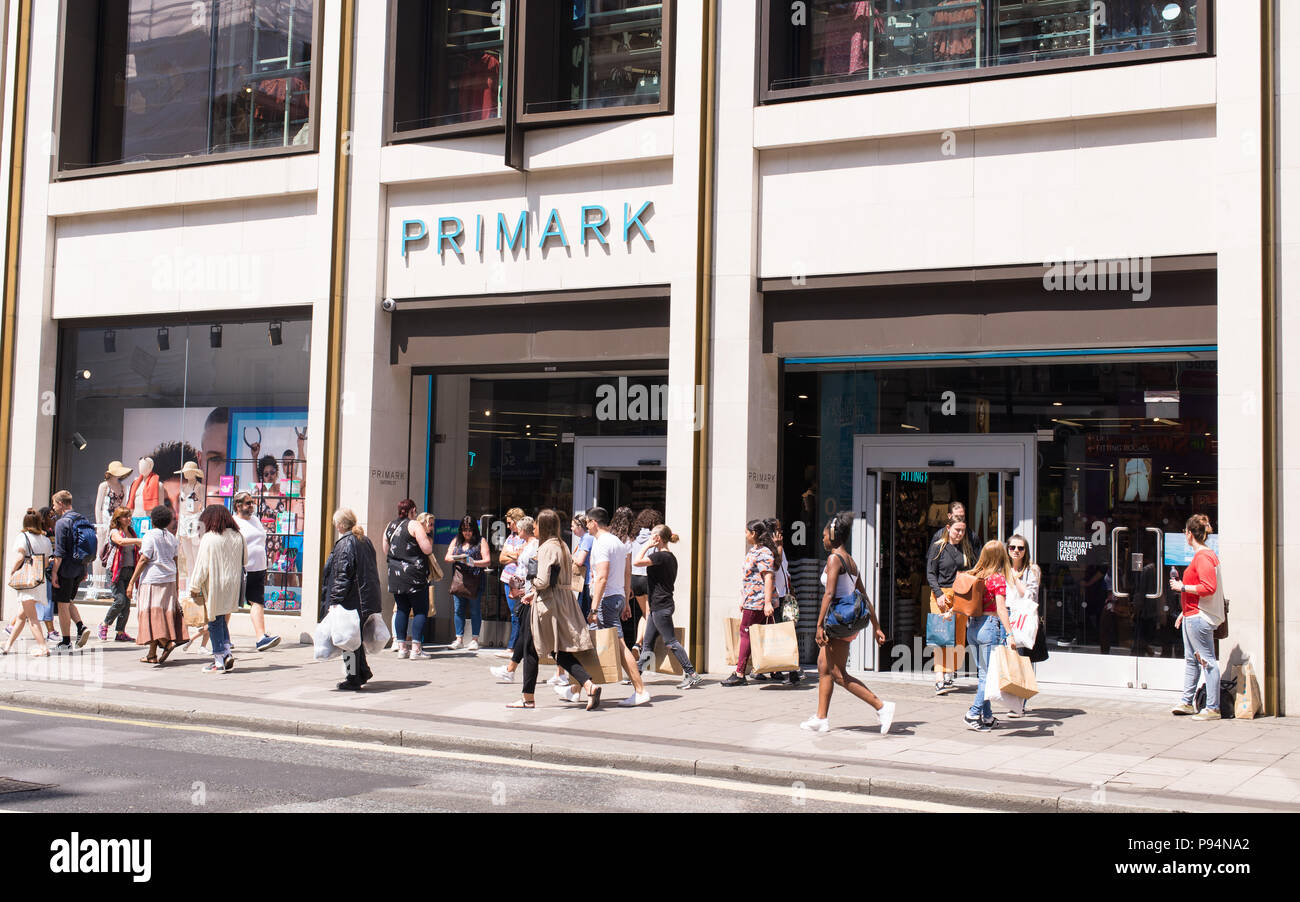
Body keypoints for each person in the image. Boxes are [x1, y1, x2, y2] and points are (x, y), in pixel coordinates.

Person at [799, 513, 893, 734]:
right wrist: (876, 626)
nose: (822, 540)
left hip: (837, 622)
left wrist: (819, 625)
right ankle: (821, 718)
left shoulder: (834, 559)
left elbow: (829, 594)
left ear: (833, 536)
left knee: (839, 674)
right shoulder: (850, 560)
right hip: (845, 622)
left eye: (824, 536)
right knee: (823, 668)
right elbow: (864, 595)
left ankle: (882, 706)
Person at [514, 510, 605, 710]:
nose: (534, 528)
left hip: (547, 604)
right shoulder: (562, 545)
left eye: (536, 524)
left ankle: (528, 699)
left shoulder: (546, 547)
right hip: (561, 600)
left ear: (543, 526)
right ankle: (588, 685)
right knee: (549, 648)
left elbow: (544, 580)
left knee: (541, 648)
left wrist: (532, 582)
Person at [582, 507, 651, 706]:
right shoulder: (619, 543)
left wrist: (594, 608)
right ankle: (580, 687)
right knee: (592, 642)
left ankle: (640, 689)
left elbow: (602, 577)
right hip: (616, 596)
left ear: (594, 522)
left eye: (587, 522)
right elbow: (627, 572)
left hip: (606, 599)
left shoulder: (603, 543)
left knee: (619, 646)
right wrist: (626, 601)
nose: (586, 526)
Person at [632, 525, 702, 688]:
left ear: (659, 538)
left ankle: (692, 674)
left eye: (653, 536)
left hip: (661, 606)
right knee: (647, 642)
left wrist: (647, 546)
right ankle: (636, 674)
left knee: (671, 641)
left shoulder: (661, 556)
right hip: (658, 606)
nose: (650, 538)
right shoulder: (668, 557)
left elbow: (637, 562)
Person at [322, 509, 383, 691]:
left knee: (347, 640)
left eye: (336, 523)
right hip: (365, 597)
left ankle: (353, 677)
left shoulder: (345, 543)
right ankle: (362, 671)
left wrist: (334, 601)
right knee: (354, 639)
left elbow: (342, 575)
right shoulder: (364, 540)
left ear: (340, 525)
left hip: (351, 600)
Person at [1170, 514, 1223, 721]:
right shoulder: (1205, 555)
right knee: (1192, 660)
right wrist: (1185, 611)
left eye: (1185, 531)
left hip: (1199, 617)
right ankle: (1187, 702)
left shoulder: (1203, 557)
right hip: (1193, 614)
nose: (1185, 534)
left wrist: (1182, 587)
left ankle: (1212, 708)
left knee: (1207, 661)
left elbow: (1208, 588)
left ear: (1190, 534)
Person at [962, 541, 1018, 732]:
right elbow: (1001, 609)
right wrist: (1010, 633)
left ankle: (986, 717)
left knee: (983, 674)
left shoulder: (974, 576)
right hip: (989, 627)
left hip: (972, 628)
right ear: (1001, 557)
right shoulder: (997, 579)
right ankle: (973, 713)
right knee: (988, 676)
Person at [187, 505, 247, 674]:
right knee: (221, 618)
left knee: (214, 620)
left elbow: (201, 566)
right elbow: (246, 560)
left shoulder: (209, 538)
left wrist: (194, 587)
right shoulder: (239, 536)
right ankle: (227, 653)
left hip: (215, 584)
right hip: (233, 585)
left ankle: (219, 660)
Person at [126, 505, 187, 666]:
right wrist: (177, 582)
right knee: (161, 614)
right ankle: (151, 654)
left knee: (150, 614)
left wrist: (132, 582)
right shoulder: (172, 537)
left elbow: (144, 559)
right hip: (169, 579)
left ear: (152, 519)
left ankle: (166, 642)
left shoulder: (150, 536)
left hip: (153, 580)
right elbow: (175, 561)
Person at [722, 519, 778, 687]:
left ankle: (740, 673)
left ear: (753, 534)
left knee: (745, 633)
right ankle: (774, 669)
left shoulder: (763, 552)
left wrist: (767, 602)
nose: (745, 535)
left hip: (757, 601)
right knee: (756, 634)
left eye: (747, 532)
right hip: (751, 600)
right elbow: (749, 578)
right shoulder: (755, 551)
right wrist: (743, 598)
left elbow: (768, 576)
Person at [926, 518, 972, 695]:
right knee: (940, 636)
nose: (960, 534)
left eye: (962, 530)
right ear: (948, 528)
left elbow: (971, 569)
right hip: (941, 594)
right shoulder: (938, 547)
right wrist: (938, 594)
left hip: (960, 594)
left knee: (958, 636)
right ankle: (939, 677)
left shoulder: (965, 548)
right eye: (957, 530)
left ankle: (949, 672)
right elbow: (930, 573)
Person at [383, 499, 434, 659]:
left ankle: (402, 647)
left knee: (402, 609)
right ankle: (416, 649)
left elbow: (386, 550)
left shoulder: (389, 526)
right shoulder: (414, 525)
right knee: (420, 609)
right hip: (414, 574)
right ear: (412, 510)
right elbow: (427, 549)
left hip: (395, 575)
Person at [490, 517, 538, 683]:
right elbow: (508, 559)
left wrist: (527, 590)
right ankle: (510, 670)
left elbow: (532, 572)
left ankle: (569, 675)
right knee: (526, 634)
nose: (517, 531)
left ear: (524, 530)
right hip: (523, 593)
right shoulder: (526, 544)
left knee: (529, 635)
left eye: (519, 528)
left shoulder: (533, 547)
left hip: (529, 594)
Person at [233, 492, 281, 652]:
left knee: (257, 601)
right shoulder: (234, 522)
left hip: (259, 567)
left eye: (252, 502)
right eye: (248, 503)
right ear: (238, 505)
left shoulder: (254, 520)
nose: (251, 506)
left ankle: (261, 637)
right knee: (230, 604)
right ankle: (223, 637)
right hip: (243, 568)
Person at [1, 509, 53, 657]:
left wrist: (12, 571)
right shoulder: (46, 540)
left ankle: (43, 647)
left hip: (26, 582)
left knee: (32, 618)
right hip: (38, 581)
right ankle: (8, 645)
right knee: (21, 616)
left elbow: (20, 556)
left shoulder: (23, 537)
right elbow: (46, 563)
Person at [757, 517, 801, 685]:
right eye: (778, 530)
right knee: (778, 634)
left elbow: (784, 570)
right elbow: (775, 567)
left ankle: (788, 670)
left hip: (782, 596)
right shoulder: (769, 550)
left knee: (784, 634)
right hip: (775, 598)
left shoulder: (777, 548)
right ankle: (776, 669)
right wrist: (779, 546)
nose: (781, 533)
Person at [48, 491, 92, 651]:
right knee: (67, 601)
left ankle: (66, 642)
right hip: (79, 568)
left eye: (54, 504)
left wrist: (54, 573)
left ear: (60, 503)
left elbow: (59, 552)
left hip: (66, 570)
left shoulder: (62, 523)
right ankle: (81, 627)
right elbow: (85, 547)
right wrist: (85, 568)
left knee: (62, 605)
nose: (53, 508)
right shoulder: (83, 519)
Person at [1006, 534, 1043, 717]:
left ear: (1026, 551)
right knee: (1010, 662)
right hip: (1007, 619)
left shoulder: (1032, 570)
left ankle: (1019, 704)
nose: (1016, 551)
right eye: (1012, 547)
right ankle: (1014, 702)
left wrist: (1014, 578)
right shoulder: (1002, 568)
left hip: (1023, 621)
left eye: (1020, 548)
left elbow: (1029, 596)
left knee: (1023, 662)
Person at [445, 516, 489, 650]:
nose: (467, 533)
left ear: (474, 530)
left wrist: (473, 562)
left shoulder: (481, 541)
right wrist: (457, 558)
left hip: (475, 580)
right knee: (458, 610)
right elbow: (447, 557)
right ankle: (459, 639)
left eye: (469, 530)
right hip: (459, 580)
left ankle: (475, 639)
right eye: (464, 530)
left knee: (475, 610)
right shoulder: (456, 541)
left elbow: (487, 561)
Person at [98, 508, 140, 642]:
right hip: (116, 571)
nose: (128, 519)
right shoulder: (114, 532)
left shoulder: (132, 532)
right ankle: (104, 624)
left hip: (129, 570)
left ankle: (120, 632)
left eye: (129, 516)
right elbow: (120, 541)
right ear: (118, 519)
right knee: (120, 600)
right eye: (125, 516)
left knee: (126, 604)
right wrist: (138, 540)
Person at [628, 509, 662, 655]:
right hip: (648, 578)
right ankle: (645, 647)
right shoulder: (655, 538)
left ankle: (637, 643)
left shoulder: (633, 538)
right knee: (649, 614)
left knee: (644, 613)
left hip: (634, 579)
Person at [496, 508, 527, 658]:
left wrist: (512, 555)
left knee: (517, 614)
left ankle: (512, 647)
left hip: (520, 581)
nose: (508, 526)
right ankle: (514, 646)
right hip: (508, 578)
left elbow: (523, 556)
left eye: (509, 523)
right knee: (513, 613)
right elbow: (501, 558)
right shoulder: (510, 538)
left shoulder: (526, 537)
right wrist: (514, 556)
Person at [608, 506, 637, 651]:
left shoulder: (606, 538)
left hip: (602, 590)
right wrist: (626, 602)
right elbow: (627, 571)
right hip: (617, 590)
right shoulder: (627, 542)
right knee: (617, 635)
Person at [571, 513, 594, 619]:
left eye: (573, 526)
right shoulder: (586, 538)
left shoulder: (586, 539)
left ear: (580, 526)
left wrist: (570, 557)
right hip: (586, 581)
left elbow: (580, 561)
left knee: (582, 616)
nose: (571, 529)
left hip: (587, 581)